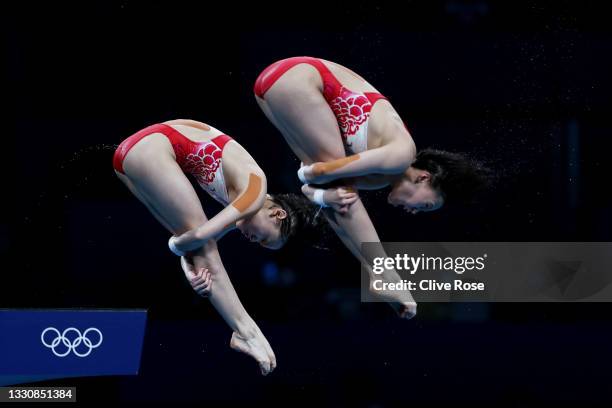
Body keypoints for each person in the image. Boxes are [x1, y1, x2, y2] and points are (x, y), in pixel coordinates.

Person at [254, 57, 491, 318]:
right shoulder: (401, 154)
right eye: (425, 205)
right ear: (424, 177)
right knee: (341, 191)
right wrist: (315, 180)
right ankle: (384, 271)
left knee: (339, 198)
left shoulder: (375, 178)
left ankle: (375, 269)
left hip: (271, 89)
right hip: (298, 77)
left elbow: (310, 188)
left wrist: (323, 194)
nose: (415, 212)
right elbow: (319, 172)